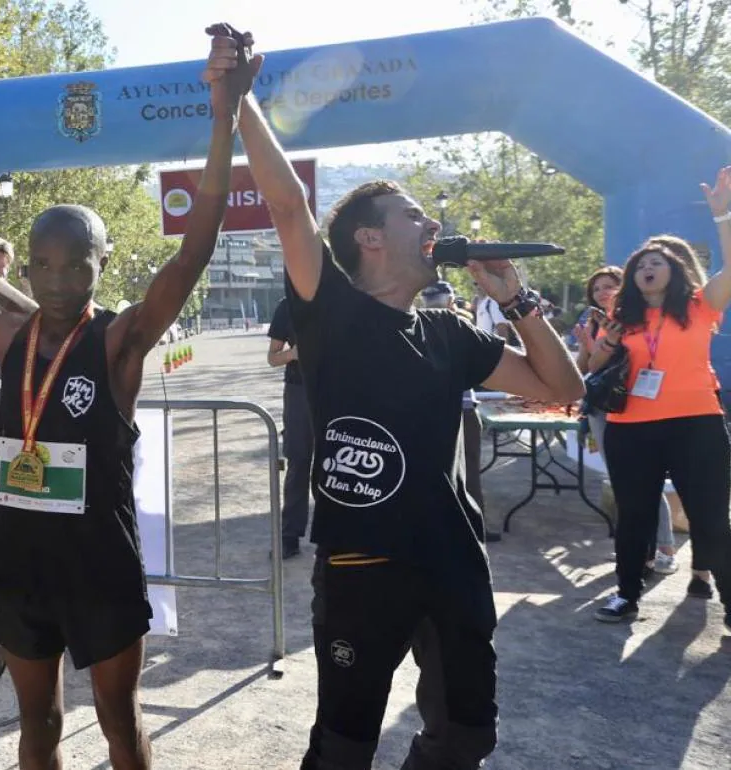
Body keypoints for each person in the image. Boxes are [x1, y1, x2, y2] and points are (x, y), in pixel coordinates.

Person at [0, 26, 252, 768]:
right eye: (44, 263)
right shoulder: (5, 338)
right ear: (30, 265)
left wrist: (223, 115)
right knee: (36, 727)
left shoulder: (119, 341)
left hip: (101, 568)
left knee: (118, 722)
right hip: (20, 567)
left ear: (103, 265)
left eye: (78, 265)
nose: (60, 279)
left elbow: (195, 249)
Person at [206, 29, 584, 770]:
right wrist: (241, 103)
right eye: (414, 215)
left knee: (467, 735)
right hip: (360, 566)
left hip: (451, 559)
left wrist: (518, 300)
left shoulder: (450, 334)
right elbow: (288, 209)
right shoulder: (332, 311)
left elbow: (563, 389)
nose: (434, 225)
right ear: (371, 240)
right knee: (344, 747)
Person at [587, 166, 731, 628]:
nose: (647, 268)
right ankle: (627, 594)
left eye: (657, 263)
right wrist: (607, 341)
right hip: (631, 428)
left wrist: (724, 214)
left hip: (696, 425)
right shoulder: (620, 314)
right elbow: (592, 368)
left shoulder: (699, 305)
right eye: (641, 264)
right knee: (634, 517)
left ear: (677, 269)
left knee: (710, 518)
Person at [573, 266, 677, 576]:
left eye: (609, 286)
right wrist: (585, 342)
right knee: (622, 480)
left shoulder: (636, 321)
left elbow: (637, 361)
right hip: (600, 406)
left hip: (633, 405)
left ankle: (665, 546)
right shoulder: (594, 323)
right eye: (596, 289)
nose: (602, 292)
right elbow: (587, 367)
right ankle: (638, 548)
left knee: (644, 478)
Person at [419, 282, 501, 543]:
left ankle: (474, 526)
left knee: (469, 473)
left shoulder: (463, 327)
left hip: (461, 409)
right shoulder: (413, 329)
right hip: (434, 412)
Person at [267, 295, 312, 559]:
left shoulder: (342, 297)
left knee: (337, 466)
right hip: (299, 392)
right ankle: (289, 536)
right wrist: (294, 353)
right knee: (298, 462)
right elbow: (272, 358)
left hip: (338, 389)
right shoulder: (287, 305)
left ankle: (336, 538)